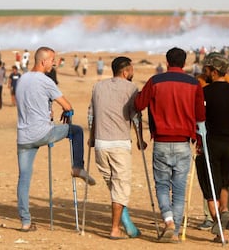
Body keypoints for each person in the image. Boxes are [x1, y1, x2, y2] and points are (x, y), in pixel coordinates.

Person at [15, 46, 95, 232]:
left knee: (24, 178)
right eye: (52, 60)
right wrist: (67, 112)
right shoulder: (45, 81)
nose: (54, 63)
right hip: (43, 133)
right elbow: (67, 105)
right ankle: (77, 167)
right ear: (43, 61)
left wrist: (47, 110)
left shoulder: (22, 79)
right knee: (75, 131)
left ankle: (25, 221)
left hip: (23, 137)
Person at [134, 47, 206, 243]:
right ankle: (174, 233)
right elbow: (200, 117)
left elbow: (139, 104)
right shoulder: (194, 83)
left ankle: (168, 220)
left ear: (167, 62)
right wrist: (199, 141)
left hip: (162, 142)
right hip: (183, 142)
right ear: (184, 63)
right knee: (179, 189)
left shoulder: (155, 81)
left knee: (163, 185)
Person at [195, 53, 229, 243]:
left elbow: (198, 118)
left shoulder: (204, 92)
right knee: (225, 182)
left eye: (206, 70)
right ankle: (224, 209)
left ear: (214, 71)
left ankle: (220, 232)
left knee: (210, 187)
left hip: (210, 145)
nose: (205, 73)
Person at [89, 56, 144, 239]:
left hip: (101, 143)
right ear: (125, 71)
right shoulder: (131, 89)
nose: (133, 72)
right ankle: (115, 228)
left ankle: (128, 224)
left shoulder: (98, 86)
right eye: (132, 69)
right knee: (120, 186)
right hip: (120, 143)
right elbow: (135, 116)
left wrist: (91, 138)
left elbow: (92, 115)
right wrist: (140, 139)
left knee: (114, 185)